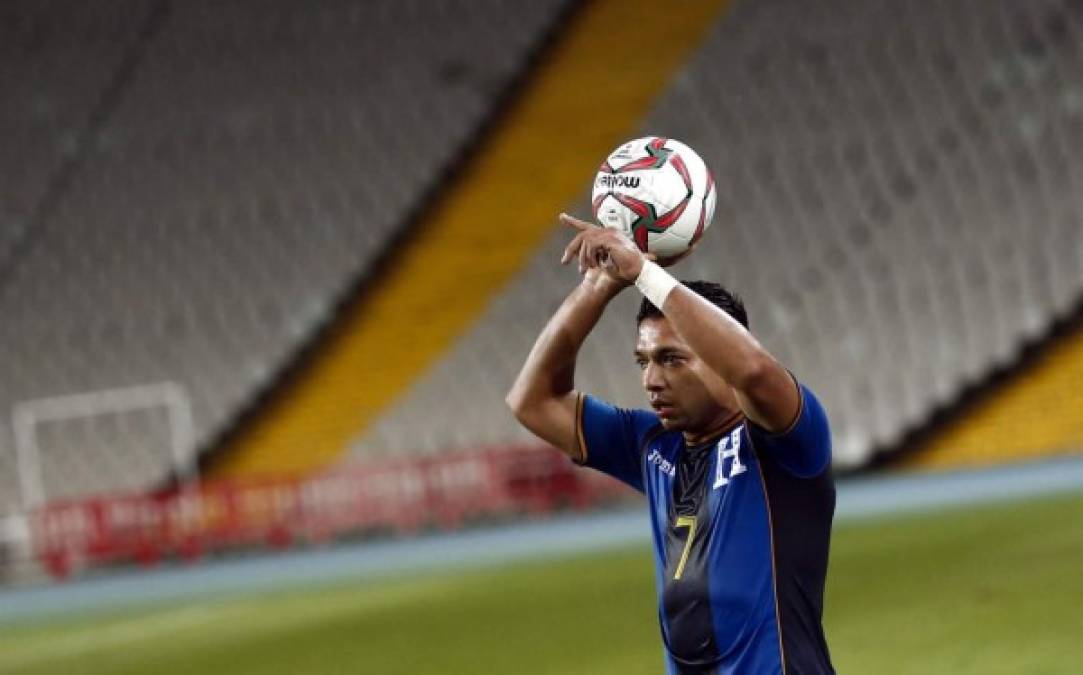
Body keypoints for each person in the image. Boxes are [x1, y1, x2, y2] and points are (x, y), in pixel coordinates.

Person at [506, 213, 836, 674]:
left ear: (721, 358)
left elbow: (754, 371)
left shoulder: (784, 444)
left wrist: (645, 273)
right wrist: (600, 285)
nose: (651, 380)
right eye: (643, 361)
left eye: (672, 360)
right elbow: (532, 400)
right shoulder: (653, 446)